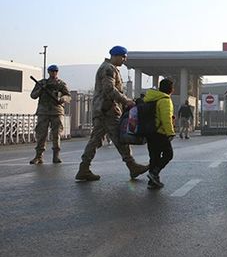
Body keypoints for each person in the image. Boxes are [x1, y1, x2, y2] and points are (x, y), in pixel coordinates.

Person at [75, 46, 149, 181]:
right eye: (123, 57)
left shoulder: (109, 68)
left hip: (104, 109)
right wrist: (127, 101)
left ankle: (84, 168)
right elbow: (109, 89)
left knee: (95, 140)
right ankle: (132, 166)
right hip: (107, 110)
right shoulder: (108, 68)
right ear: (115, 56)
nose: (124, 60)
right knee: (120, 138)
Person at [29, 65, 71, 164]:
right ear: (48, 72)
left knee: (56, 134)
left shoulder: (61, 84)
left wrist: (62, 99)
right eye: (52, 71)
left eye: (55, 71)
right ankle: (38, 156)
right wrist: (41, 89)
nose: (53, 73)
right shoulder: (42, 83)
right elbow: (33, 95)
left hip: (56, 111)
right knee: (41, 134)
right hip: (43, 111)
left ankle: (56, 156)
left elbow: (68, 96)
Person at [145, 78, 176, 189]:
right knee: (168, 154)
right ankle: (154, 173)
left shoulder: (151, 98)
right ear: (170, 89)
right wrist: (170, 133)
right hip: (160, 132)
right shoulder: (165, 100)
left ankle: (152, 182)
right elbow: (166, 118)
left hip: (149, 131)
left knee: (154, 157)